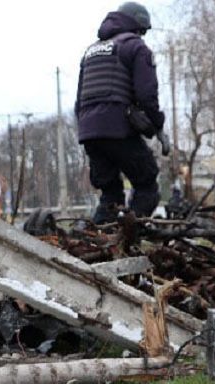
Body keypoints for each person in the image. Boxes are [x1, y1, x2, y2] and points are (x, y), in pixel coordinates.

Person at [75, 1, 166, 223]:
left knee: (110, 195)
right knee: (147, 185)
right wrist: (158, 126)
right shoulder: (136, 47)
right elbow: (146, 96)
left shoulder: (90, 51)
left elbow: (79, 102)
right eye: (142, 31)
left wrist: (87, 127)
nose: (142, 36)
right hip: (118, 129)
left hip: (89, 133)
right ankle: (128, 236)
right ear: (138, 26)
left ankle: (96, 243)